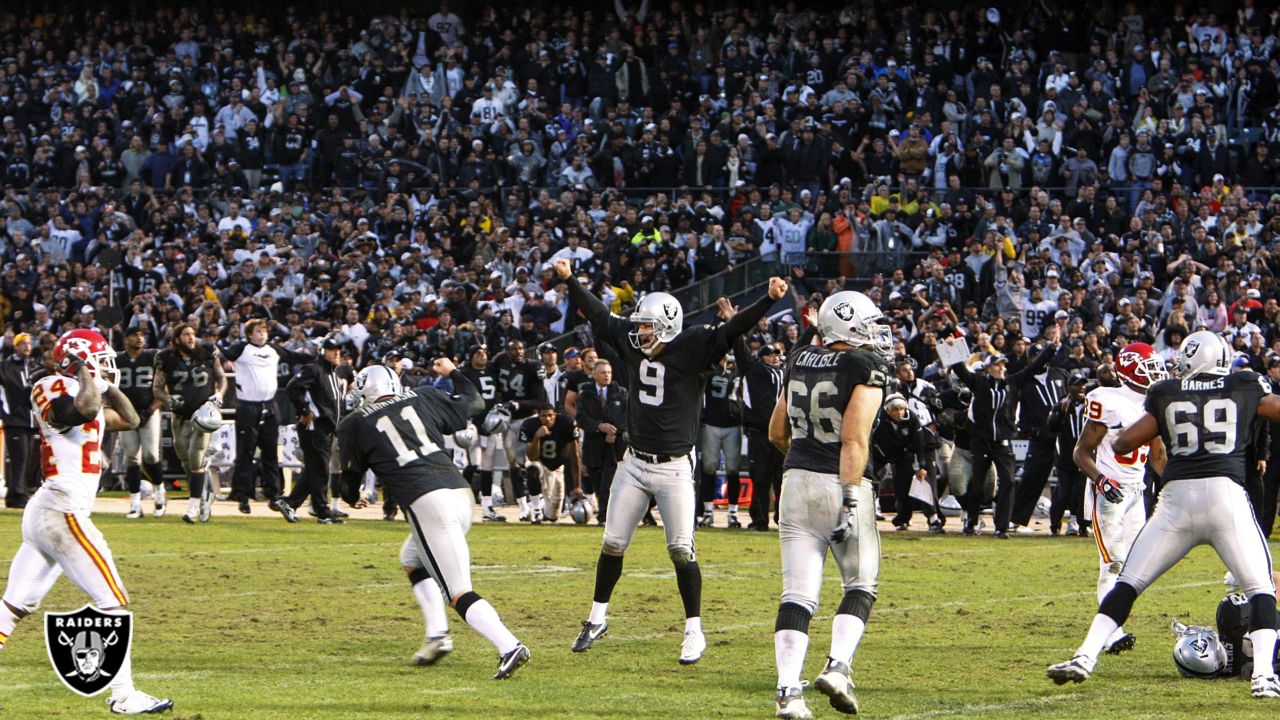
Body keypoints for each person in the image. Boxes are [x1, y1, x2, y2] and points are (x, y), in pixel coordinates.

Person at [557, 257, 788, 665]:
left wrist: (766, 299)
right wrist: (570, 279)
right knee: (612, 543)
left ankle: (694, 631)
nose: (639, 330)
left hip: (675, 466)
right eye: (640, 324)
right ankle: (596, 618)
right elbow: (598, 312)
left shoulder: (694, 344)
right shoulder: (632, 337)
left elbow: (734, 328)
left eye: (647, 325)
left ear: (665, 325)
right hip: (634, 461)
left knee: (682, 549)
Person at [1047, 331, 1280, 700]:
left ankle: (1085, 655)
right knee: (1260, 588)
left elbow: (1125, 442)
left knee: (1128, 583)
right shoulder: (1244, 385)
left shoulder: (1166, 392)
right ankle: (1264, 676)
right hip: (1225, 496)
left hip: (1177, 500)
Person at [0, 329, 172, 714]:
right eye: (99, 358)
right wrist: (87, 378)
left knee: (13, 606)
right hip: (62, 510)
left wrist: (106, 385)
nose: (106, 365)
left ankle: (125, 694)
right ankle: (124, 696)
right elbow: (85, 409)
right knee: (113, 599)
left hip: (52, 512)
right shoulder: (49, 385)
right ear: (76, 361)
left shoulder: (87, 390)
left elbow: (129, 417)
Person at [336, 361, 530, 680]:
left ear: (367, 390)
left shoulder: (355, 422)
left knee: (458, 592)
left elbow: (347, 485)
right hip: (459, 494)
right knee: (412, 558)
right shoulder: (423, 395)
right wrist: (453, 372)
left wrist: (352, 496)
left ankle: (509, 645)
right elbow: (476, 402)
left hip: (428, 503)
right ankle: (437, 634)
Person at [766, 290, 891, 718]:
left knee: (797, 595)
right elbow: (854, 438)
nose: (875, 331)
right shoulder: (866, 366)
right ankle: (837, 666)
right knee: (860, 584)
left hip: (795, 479)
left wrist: (801, 467)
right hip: (839, 482)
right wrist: (851, 496)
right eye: (867, 322)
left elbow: (776, 432)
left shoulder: (799, 357)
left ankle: (788, 693)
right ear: (848, 324)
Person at [1072, 342, 1167, 653]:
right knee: (1112, 564)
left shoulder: (1154, 403)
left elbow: (1158, 457)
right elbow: (1081, 453)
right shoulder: (1108, 400)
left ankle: (1112, 625)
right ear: (1130, 369)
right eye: (1147, 366)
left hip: (1138, 493)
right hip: (1110, 492)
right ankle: (1111, 635)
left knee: (1132, 567)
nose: (1154, 372)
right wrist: (1100, 480)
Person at [944, 327, 1061, 536]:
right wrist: (951, 349)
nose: (1001, 369)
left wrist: (1051, 348)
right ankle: (971, 520)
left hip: (1003, 441)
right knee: (978, 484)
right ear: (988, 369)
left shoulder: (1013, 383)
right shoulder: (979, 383)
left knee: (1007, 480)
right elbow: (960, 369)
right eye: (997, 366)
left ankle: (1002, 526)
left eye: (1002, 365)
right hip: (981, 440)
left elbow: (1034, 367)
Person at [222, 318, 315, 518]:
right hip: (248, 406)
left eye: (264, 331)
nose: (262, 334)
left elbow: (293, 357)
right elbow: (223, 353)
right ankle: (242, 495)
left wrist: (315, 355)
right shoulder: (242, 349)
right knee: (245, 452)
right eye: (257, 331)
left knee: (271, 453)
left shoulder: (273, 349)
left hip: (270, 405)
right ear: (249, 334)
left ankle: (274, 494)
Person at [153, 323, 227, 524]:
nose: (191, 338)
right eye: (186, 334)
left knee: (195, 460)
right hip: (179, 415)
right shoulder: (166, 358)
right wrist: (168, 399)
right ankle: (204, 494)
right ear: (177, 339)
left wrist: (219, 394)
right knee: (186, 461)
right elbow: (157, 388)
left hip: (202, 414)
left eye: (193, 334)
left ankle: (193, 507)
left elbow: (222, 378)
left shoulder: (207, 352)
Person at [282, 336, 354, 524]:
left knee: (314, 470)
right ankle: (322, 512)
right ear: (322, 351)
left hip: (327, 427)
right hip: (315, 427)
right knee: (321, 470)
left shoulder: (335, 373)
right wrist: (304, 410)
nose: (336, 352)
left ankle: (290, 503)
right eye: (331, 349)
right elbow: (292, 388)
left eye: (338, 349)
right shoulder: (314, 369)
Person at [491, 339, 546, 521]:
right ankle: (523, 506)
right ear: (507, 351)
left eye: (521, 348)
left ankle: (536, 506)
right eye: (514, 349)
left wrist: (518, 404)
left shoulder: (533, 367)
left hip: (527, 419)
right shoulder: (500, 361)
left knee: (531, 465)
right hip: (508, 422)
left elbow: (539, 401)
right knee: (514, 465)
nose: (518, 351)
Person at [736, 338, 787, 531]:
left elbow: (800, 349)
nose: (775, 357)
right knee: (760, 478)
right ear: (761, 357)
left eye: (777, 354)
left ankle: (783, 518)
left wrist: (812, 330)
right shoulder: (753, 370)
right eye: (770, 354)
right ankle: (759, 519)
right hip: (759, 432)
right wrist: (735, 324)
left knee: (782, 479)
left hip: (782, 433)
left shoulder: (785, 373)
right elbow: (742, 352)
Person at [115, 326, 163, 519]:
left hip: (148, 412)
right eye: (135, 334)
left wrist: (151, 409)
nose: (139, 338)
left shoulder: (152, 357)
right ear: (126, 339)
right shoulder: (118, 360)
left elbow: (162, 387)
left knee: (151, 455)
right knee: (132, 458)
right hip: (126, 414)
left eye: (142, 335)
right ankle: (135, 504)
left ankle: (160, 493)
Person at [576, 359, 627, 523]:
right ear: (595, 375)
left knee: (609, 480)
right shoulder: (585, 393)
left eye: (609, 372)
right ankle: (604, 511)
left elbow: (627, 417)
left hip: (615, 445)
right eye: (603, 372)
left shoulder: (620, 392)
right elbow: (581, 418)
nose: (607, 376)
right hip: (594, 443)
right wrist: (599, 426)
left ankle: (606, 515)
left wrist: (614, 430)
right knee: (597, 479)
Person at [458, 345, 506, 522]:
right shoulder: (464, 373)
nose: (482, 355)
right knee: (474, 464)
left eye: (485, 352)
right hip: (473, 422)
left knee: (487, 468)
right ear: (471, 356)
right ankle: (461, 503)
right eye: (478, 353)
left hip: (490, 422)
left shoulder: (492, 370)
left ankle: (487, 508)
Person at [698, 352, 743, 528]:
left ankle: (733, 513)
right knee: (709, 467)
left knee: (733, 469)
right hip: (711, 423)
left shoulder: (740, 371)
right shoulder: (710, 369)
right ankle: (708, 511)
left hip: (733, 424)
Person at [519, 403, 581, 523]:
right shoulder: (530, 424)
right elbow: (532, 457)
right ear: (538, 415)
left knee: (553, 516)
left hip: (558, 467)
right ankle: (536, 509)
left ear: (555, 415)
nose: (547, 419)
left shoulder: (566, 423)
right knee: (532, 469)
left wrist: (577, 485)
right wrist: (537, 437)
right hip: (540, 462)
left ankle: (544, 509)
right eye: (543, 416)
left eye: (550, 415)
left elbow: (574, 456)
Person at [1047, 375, 1090, 536]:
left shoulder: (1090, 406)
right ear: (1069, 388)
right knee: (1064, 492)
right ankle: (1054, 525)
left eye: (1083, 385)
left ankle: (1081, 525)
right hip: (1065, 457)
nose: (1081, 388)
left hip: (1085, 456)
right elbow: (1051, 427)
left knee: (1081, 492)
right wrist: (1061, 412)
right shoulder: (1060, 405)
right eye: (1077, 385)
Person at [0, 333, 39, 508]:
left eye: (29, 343)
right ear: (15, 346)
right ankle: (16, 495)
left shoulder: (32, 366)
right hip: (15, 419)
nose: (27, 347)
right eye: (23, 344)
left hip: (30, 420)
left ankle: (19, 492)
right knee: (19, 458)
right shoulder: (5, 367)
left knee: (26, 457)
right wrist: (6, 413)